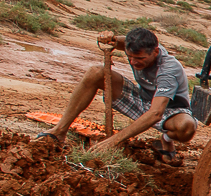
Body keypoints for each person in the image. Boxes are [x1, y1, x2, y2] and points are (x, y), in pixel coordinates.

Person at [35, 27, 197, 165]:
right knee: (95, 73)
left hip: (169, 110)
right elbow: (119, 41)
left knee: (187, 127)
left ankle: (167, 140)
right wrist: (110, 38)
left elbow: (156, 113)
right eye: (130, 57)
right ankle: (59, 131)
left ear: (155, 51)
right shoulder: (140, 48)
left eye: (140, 58)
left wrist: (113, 141)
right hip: (142, 99)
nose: (133, 63)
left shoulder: (168, 70)